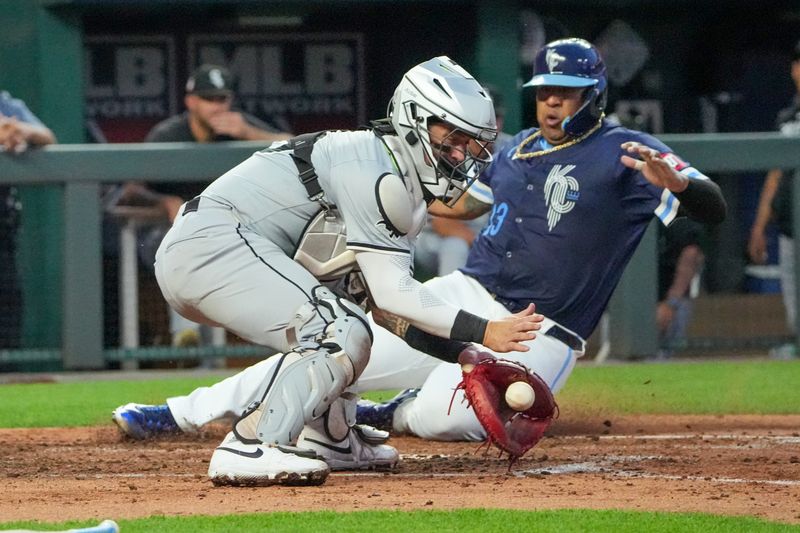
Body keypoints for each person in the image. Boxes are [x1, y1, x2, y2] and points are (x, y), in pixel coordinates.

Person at [114, 39, 726, 447]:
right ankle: (178, 412)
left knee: (455, 418)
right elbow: (442, 193)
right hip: (464, 294)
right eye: (544, 89)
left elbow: (712, 207)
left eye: (565, 89)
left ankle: (385, 413)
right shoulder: (506, 149)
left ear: (594, 95)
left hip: (546, 325)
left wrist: (676, 183)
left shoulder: (626, 153)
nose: (551, 99)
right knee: (328, 341)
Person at [112, 56, 543, 486]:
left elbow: (384, 308)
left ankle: (329, 437)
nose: (459, 153)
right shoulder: (375, 168)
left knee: (348, 307)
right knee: (338, 329)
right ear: (415, 119)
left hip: (222, 250)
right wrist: (485, 330)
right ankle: (251, 442)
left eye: (469, 144)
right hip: (209, 245)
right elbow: (396, 294)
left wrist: (465, 353)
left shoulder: (398, 180)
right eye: (451, 137)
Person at [121, 64, 293, 347]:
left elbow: (297, 147)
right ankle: (185, 335)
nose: (217, 106)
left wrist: (249, 134)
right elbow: (130, 190)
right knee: (184, 248)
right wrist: (164, 201)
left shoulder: (242, 126)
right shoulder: (168, 135)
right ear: (191, 101)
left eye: (222, 99)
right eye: (208, 99)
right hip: (170, 233)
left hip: (234, 232)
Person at [413, 86, 511, 278]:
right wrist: (488, 250)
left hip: (487, 238)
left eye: (494, 119)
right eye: (481, 120)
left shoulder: (512, 149)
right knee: (455, 247)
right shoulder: (448, 149)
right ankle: (451, 305)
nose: (489, 127)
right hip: (435, 238)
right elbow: (443, 223)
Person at [747, 40, 800, 359]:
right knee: (794, 298)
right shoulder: (788, 115)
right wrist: (759, 225)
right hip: (790, 222)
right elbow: (776, 174)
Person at [0, 91, 57, 350]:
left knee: (8, 313)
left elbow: (47, 137)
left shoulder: (4, 103)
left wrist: (17, 129)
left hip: (3, 233)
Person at [656, 218, 705, 359]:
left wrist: (671, 303)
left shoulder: (677, 214)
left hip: (674, 300)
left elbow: (691, 253)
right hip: (635, 302)